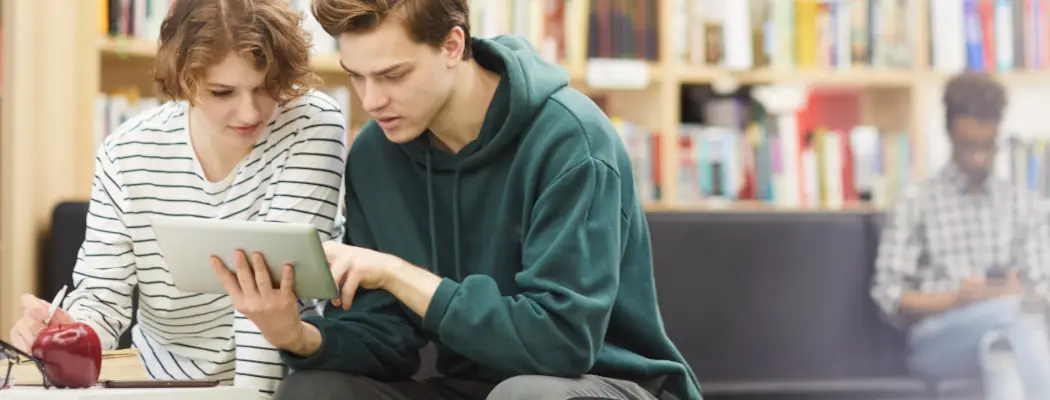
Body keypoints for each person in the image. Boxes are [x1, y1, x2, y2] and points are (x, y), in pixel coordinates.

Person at [208, 1, 700, 399]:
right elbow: (387, 342)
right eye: (356, 76)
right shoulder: (377, 154)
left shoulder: (571, 140)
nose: (371, 99)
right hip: (475, 387)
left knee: (529, 395)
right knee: (316, 390)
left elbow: (561, 346)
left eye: (392, 75)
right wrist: (298, 336)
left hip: (605, 384)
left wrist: (398, 272)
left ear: (452, 44)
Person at [6, 0, 347, 396]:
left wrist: (250, 398)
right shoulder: (126, 153)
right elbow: (102, 298)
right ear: (185, 79)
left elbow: (268, 292)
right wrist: (70, 332)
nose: (249, 111)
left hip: (291, 380)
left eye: (266, 86)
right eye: (222, 92)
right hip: (164, 384)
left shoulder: (312, 125)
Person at [871, 72, 1050, 400]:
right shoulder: (915, 201)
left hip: (1008, 329)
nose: (978, 157)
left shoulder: (1020, 203)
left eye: (987, 146)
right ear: (949, 133)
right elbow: (888, 295)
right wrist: (957, 299)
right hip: (938, 342)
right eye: (968, 146)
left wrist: (1017, 291)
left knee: (1000, 353)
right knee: (1016, 316)